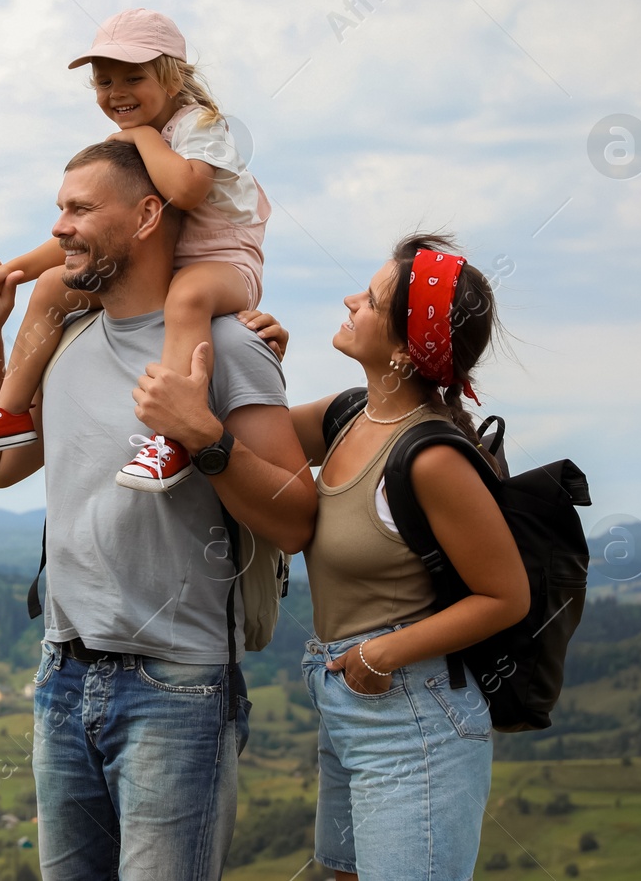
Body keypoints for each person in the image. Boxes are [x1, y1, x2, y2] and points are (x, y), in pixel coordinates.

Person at [0, 140, 314, 881]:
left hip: (177, 690)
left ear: (149, 214)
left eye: (79, 208)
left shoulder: (229, 349)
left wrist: (204, 438)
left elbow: (296, 519)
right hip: (61, 673)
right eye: (59, 209)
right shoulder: (70, 342)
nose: (60, 228)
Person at [227, 234, 529, 880]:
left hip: (412, 711)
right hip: (351, 700)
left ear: (403, 346)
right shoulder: (348, 414)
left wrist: (379, 654)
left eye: (367, 298)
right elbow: (263, 435)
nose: (349, 299)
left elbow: (507, 595)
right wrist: (258, 363)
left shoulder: (432, 457)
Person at [0, 8, 272, 493]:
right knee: (55, 284)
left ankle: (174, 436)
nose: (116, 92)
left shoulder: (196, 125)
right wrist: (12, 272)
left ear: (174, 76)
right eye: (104, 82)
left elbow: (186, 193)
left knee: (187, 298)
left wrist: (139, 136)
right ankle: (10, 414)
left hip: (223, 263)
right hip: (169, 266)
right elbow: (83, 236)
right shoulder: (125, 148)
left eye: (133, 77)